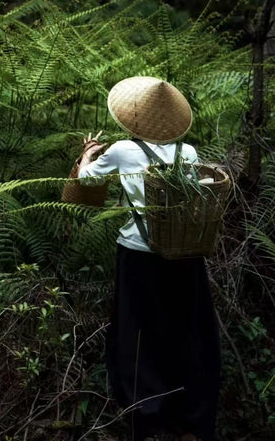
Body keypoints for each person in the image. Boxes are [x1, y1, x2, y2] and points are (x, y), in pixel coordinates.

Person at [77, 76, 221, 441]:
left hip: (139, 254)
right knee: (182, 328)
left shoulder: (123, 150)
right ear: (172, 118)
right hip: (184, 253)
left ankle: (146, 409)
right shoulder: (187, 153)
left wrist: (89, 154)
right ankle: (189, 409)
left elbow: (87, 182)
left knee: (138, 330)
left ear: (133, 117)